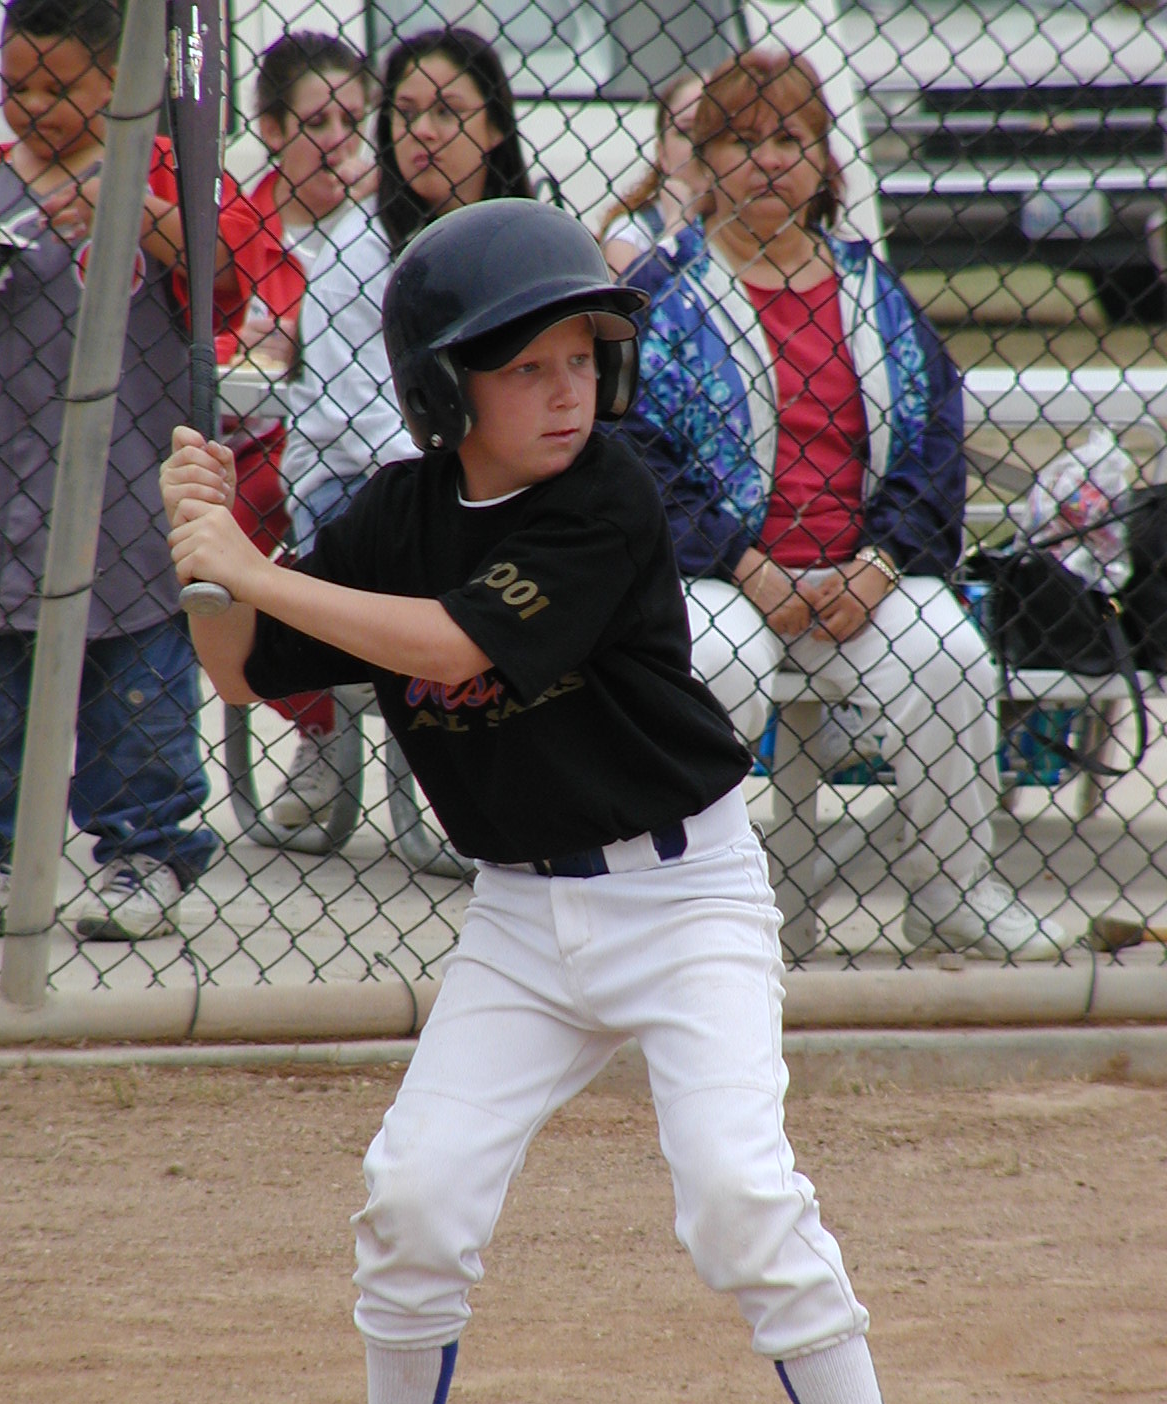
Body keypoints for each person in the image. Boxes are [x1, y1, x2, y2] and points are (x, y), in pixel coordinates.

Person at [160, 198, 962, 1404]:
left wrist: (252, 567)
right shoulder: (394, 517)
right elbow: (240, 669)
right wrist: (203, 549)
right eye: (524, 366)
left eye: (583, 356)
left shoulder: (608, 498)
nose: (567, 388)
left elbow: (450, 644)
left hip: (686, 895)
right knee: (415, 1193)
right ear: (443, 390)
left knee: (737, 1194)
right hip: (521, 920)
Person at [621, 46, 1069, 961]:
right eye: (741, 140)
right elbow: (634, 456)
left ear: (827, 162)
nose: (768, 159)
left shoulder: (872, 291)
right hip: (717, 576)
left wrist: (880, 563)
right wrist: (744, 565)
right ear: (702, 164)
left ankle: (953, 898)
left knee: (948, 656)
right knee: (717, 665)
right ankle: (681, 911)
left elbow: (934, 441)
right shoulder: (662, 294)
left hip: (858, 579)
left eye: (791, 138)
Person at [0, 0, 234, 941]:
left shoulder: (167, 177)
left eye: (61, 86)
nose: (35, 105)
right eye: (16, 86)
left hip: (128, 508)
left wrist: (140, 215)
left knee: (139, 697)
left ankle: (143, 853)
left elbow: (231, 272)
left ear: (122, 83)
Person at [270, 26, 535, 827]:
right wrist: (482, 477)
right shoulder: (355, 251)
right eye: (406, 112)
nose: (422, 131)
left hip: (496, 478)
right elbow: (363, 419)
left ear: (495, 125)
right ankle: (464, 783)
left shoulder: (528, 239)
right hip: (363, 487)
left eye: (447, 111)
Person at [228, 30, 375, 828]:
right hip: (253, 437)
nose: (340, 141)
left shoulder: (380, 223)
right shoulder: (237, 226)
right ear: (274, 130)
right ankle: (317, 723)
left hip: (355, 435)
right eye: (318, 123)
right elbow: (201, 333)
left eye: (354, 122)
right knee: (236, 516)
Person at [597, 70, 708, 277]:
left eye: (714, 130)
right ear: (662, 153)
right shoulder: (632, 235)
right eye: (686, 131)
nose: (701, 143)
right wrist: (677, 225)